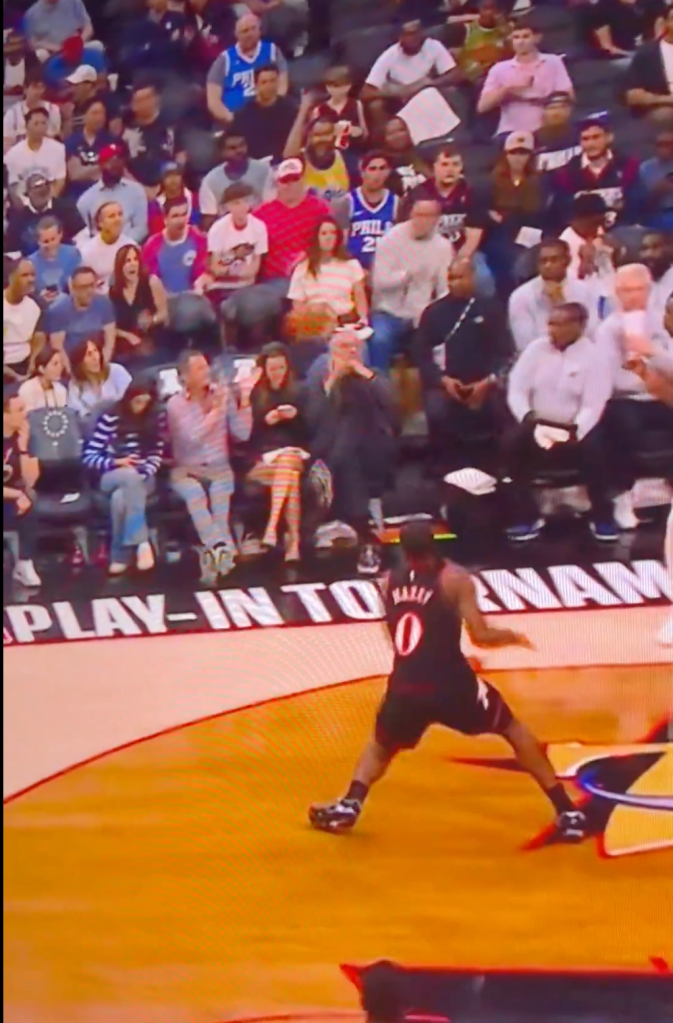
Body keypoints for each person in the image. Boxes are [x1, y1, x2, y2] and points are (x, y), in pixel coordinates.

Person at [309, 519, 588, 842]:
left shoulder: (387, 582)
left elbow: (397, 637)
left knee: (380, 745)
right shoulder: (454, 579)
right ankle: (566, 810)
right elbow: (481, 636)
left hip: (406, 683)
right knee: (512, 729)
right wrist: (512, 637)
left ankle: (350, 804)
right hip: (452, 685)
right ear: (436, 543)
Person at [504, 302, 617, 542]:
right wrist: (527, 417)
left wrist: (575, 431)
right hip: (536, 423)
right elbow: (516, 390)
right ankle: (526, 516)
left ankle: (602, 516)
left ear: (578, 326)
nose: (551, 329)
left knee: (598, 449)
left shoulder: (595, 356)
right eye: (550, 323)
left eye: (558, 324)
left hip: (575, 428)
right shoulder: (535, 350)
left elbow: (594, 403)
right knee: (510, 445)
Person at [304, 328, 398, 575]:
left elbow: (393, 405)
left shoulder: (372, 376)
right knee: (346, 446)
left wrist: (364, 374)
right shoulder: (320, 379)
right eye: (345, 347)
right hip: (330, 447)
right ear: (332, 353)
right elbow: (311, 419)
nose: (352, 352)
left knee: (351, 447)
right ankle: (367, 539)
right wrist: (333, 380)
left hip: (368, 449)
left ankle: (358, 530)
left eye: (355, 347)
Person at [413, 257, 512, 472]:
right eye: (451, 278)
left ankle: (498, 468)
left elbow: (504, 352)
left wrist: (487, 383)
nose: (454, 283)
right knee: (437, 410)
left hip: (485, 383)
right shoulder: (433, 313)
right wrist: (442, 380)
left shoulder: (491, 309)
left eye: (460, 277)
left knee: (501, 409)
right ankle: (443, 468)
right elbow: (422, 355)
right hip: (445, 384)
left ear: (473, 277)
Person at [167, 350, 257, 579]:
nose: (206, 371)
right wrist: (217, 409)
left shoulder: (222, 395)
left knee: (220, 502)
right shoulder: (175, 404)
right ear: (185, 376)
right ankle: (220, 548)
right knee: (195, 493)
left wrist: (244, 399)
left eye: (206, 366)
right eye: (199, 368)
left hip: (219, 468)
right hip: (187, 470)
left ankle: (218, 551)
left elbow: (242, 433)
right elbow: (192, 436)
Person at [597, 264, 673, 529]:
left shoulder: (663, 324)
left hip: (662, 394)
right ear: (617, 293)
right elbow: (610, 378)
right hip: (625, 399)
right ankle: (622, 496)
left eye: (638, 289)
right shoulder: (608, 330)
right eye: (626, 291)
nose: (632, 296)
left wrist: (651, 351)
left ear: (649, 290)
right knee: (622, 423)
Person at [221, 162, 329, 336]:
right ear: (277, 183)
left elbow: (332, 243)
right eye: (285, 180)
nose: (290, 184)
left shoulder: (320, 209)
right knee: (252, 302)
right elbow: (242, 249)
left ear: (303, 179)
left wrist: (308, 257)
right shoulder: (262, 214)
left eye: (295, 179)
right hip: (273, 281)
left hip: (313, 276)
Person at [82, 379, 165, 576]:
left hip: (143, 477)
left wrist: (142, 473)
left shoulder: (154, 419)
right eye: (137, 402)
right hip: (110, 475)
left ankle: (119, 556)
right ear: (128, 400)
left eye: (145, 402)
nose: (141, 407)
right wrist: (117, 463)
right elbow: (89, 457)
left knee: (121, 498)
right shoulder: (110, 418)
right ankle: (142, 542)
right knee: (127, 476)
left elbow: (156, 455)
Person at [370, 197, 454, 371]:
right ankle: (379, 391)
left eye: (427, 216)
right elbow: (379, 282)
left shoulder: (443, 247)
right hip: (389, 312)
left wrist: (433, 313)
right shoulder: (390, 240)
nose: (421, 221)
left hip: (423, 314)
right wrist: (406, 276)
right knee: (380, 340)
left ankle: (433, 391)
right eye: (417, 215)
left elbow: (444, 289)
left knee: (441, 342)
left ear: (437, 220)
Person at [402, 145, 493, 295]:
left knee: (483, 278)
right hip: (427, 252)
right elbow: (412, 235)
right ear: (434, 167)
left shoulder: (472, 193)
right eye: (444, 164)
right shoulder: (418, 195)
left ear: (461, 167)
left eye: (455, 165)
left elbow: (473, 238)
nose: (450, 170)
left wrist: (458, 261)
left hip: (463, 253)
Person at [248, 343, 308, 562]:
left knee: (289, 459)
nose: (277, 374)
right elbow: (248, 437)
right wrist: (265, 421)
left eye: (281, 368)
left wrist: (296, 417)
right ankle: (294, 542)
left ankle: (271, 528)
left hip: (295, 452)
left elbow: (307, 432)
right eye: (272, 369)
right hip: (266, 457)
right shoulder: (256, 394)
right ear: (264, 370)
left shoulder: (299, 391)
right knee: (289, 477)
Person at [477, 15, 574, 136]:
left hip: (547, 128)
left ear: (537, 38)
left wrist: (538, 99)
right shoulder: (499, 69)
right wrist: (507, 89)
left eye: (525, 37)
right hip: (511, 132)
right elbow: (482, 107)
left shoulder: (553, 61)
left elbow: (569, 96)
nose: (520, 42)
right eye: (516, 37)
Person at [362, 19, 459, 135]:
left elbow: (455, 74)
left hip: (428, 94)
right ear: (400, 37)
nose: (414, 38)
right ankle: (388, 142)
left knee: (452, 92)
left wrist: (431, 83)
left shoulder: (433, 46)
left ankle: (450, 135)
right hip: (400, 100)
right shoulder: (390, 55)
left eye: (417, 32)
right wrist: (399, 91)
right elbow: (365, 92)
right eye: (409, 34)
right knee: (376, 105)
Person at [551, 114, 642, 229]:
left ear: (609, 137)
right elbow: (563, 211)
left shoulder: (628, 166)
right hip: (582, 232)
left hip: (621, 230)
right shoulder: (567, 173)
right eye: (585, 139)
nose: (590, 144)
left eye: (596, 137)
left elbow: (636, 204)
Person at [508, 239, 599, 352]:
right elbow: (525, 343)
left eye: (554, 260)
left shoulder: (584, 289)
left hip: (582, 355)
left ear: (567, 261)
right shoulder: (521, 296)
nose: (548, 265)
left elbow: (593, 330)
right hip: (540, 359)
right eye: (543, 261)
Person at [206, 12, 288, 127]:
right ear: (236, 35)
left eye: (253, 29)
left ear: (260, 29)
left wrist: (274, 110)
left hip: (270, 115)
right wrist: (232, 120)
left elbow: (283, 85)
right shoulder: (225, 59)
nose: (250, 34)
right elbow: (213, 101)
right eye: (245, 31)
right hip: (235, 121)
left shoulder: (272, 51)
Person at [288, 217, 368, 324]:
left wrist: (363, 320)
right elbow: (297, 305)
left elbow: (359, 296)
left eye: (333, 233)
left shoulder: (351, 264)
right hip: (314, 322)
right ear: (316, 238)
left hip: (344, 320)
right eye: (324, 233)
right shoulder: (303, 268)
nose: (329, 237)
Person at [202, 182, 268, 312]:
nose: (242, 207)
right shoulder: (217, 229)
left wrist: (228, 271)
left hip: (246, 287)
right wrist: (234, 272)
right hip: (220, 287)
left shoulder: (259, 227)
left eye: (245, 202)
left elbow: (253, 269)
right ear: (228, 207)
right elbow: (215, 267)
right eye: (236, 203)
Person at [3, 384, 42, 587]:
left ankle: (24, 564)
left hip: (11, 500)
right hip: (10, 495)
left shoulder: (25, 436)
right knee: (25, 497)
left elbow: (31, 480)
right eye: (19, 410)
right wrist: (16, 494)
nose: (25, 414)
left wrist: (23, 448)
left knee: (31, 499)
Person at [121, 79, 187, 194]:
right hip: (136, 191)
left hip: (170, 188)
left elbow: (181, 155)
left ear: (157, 98)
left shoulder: (171, 124)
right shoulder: (126, 132)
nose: (146, 102)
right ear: (133, 105)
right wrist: (142, 190)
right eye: (141, 100)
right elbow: (122, 168)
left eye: (149, 97)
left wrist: (171, 182)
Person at [76, 143, 149, 244]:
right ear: (101, 165)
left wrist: (121, 244)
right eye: (111, 161)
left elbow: (141, 228)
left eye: (119, 160)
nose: (116, 165)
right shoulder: (86, 199)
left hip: (129, 249)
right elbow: (82, 235)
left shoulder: (136, 191)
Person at [109, 244, 168, 364]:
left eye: (135, 259)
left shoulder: (151, 282)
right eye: (128, 261)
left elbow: (164, 313)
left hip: (154, 342)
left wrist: (152, 320)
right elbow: (109, 327)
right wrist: (127, 336)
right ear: (120, 266)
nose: (133, 264)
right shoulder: (112, 293)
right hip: (127, 349)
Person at [198, 131, 271, 230]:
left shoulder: (264, 171)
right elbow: (209, 221)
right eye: (232, 148)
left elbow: (272, 209)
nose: (239, 150)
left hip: (261, 229)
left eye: (242, 145)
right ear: (222, 152)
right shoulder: (210, 181)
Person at [283, 98, 351, 204]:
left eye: (326, 134)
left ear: (334, 135)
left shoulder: (346, 159)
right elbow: (288, 156)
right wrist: (303, 112)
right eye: (317, 135)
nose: (322, 139)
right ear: (309, 137)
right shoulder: (301, 159)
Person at [46, 264, 116, 366]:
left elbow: (110, 341)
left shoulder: (104, 303)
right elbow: (58, 348)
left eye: (92, 285)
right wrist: (73, 374)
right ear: (73, 289)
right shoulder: (58, 311)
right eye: (84, 287)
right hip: (72, 365)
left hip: (98, 361)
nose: (89, 291)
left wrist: (102, 365)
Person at [23, 0, 105, 85]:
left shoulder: (74, 2)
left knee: (97, 45)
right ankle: (49, 86)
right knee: (40, 54)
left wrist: (79, 41)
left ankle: (96, 84)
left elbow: (88, 27)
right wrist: (57, 48)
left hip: (77, 45)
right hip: (53, 51)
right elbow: (32, 43)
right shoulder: (31, 14)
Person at [4, 170, 85, 257]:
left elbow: (81, 237)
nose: (41, 191)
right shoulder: (18, 219)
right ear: (27, 193)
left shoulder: (66, 208)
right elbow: (12, 252)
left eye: (44, 187)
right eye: (36, 189)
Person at [343, 152, 398, 273]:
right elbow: (341, 245)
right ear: (362, 172)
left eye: (382, 168)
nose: (377, 174)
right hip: (354, 271)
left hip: (388, 270)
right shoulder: (347, 202)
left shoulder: (396, 202)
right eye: (372, 169)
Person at [231, 63, 297, 163]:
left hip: (286, 162)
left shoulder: (291, 108)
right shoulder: (244, 114)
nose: (269, 86)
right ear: (256, 85)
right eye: (264, 82)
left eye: (272, 81)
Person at [142, 197, 208, 296]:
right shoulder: (152, 245)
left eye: (184, 214)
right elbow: (150, 279)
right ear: (165, 219)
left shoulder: (199, 240)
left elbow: (202, 273)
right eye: (175, 216)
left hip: (192, 300)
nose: (181, 220)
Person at [5, 107, 67, 204]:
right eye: (36, 123)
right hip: (24, 203)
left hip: (51, 200)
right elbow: (13, 186)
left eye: (43, 123)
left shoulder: (58, 149)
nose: (40, 127)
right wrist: (27, 204)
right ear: (26, 126)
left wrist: (48, 201)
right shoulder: (13, 154)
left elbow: (60, 180)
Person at [624, 8, 673, 122]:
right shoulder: (647, 54)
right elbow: (632, 95)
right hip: (666, 106)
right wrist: (667, 99)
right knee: (664, 116)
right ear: (665, 23)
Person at [77, 201, 137, 294]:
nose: (117, 219)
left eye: (120, 214)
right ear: (100, 223)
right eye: (111, 216)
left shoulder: (131, 246)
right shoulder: (87, 252)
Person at [67, 336, 131, 419]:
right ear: (79, 361)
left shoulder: (116, 371)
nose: (95, 358)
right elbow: (76, 413)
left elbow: (130, 398)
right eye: (89, 354)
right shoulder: (75, 384)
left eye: (96, 351)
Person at [64, 97, 115, 200]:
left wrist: (86, 170)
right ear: (84, 116)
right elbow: (75, 174)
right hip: (77, 196)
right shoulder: (72, 141)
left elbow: (111, 171)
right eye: (95, 113)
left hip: (105, 195)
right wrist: (100, 166)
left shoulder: (111, 141)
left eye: (102, 114)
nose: (99, 118)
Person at [3, 257, 43, 383]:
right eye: (25, 275)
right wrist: (14, 376)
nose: (31, 279)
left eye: (33, 275)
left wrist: (33, 361)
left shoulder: (36, 305)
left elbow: (39, 337)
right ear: (11, 278)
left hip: (25, 363)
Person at [3, 66, 61, 150]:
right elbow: (5, 144)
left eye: (41, 87)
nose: (39, 91)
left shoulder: (53, 110)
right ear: (25, 89)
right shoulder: (12, 113)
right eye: (35, 87)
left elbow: (56, 139)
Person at [29, 214, 82, 304]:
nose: (50, 244)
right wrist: (39, 298)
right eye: (45, 241)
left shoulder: (73, 254)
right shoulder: (30, 263)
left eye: (53, 239)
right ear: (38, 241)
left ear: (60, 235)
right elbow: (30, 293)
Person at [61, 64, 122, 139]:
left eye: (76, 85)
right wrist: (67, 118)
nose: (71, 89)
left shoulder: (106, 102)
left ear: (88, 85)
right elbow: (67, 138)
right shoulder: (74, 107)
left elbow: (116, 130)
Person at [534, 92, 581, 177]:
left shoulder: (582, 135)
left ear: (569, 110)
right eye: (552, 108)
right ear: (544, 111)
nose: (556, 112)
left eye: (562, 107)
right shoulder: (534, 139)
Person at [382, 116, 430, 197]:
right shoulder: (381, 163)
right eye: (391, 133)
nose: (397, 136)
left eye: (400, 130)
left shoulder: (425, 155)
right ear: (384, 138)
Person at [147, 162, 200, 236]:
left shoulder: (195, 199)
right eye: (168, 176)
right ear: (161, 179)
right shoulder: (155, 206)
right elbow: (157, 233)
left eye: (176, 175)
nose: (173, 180)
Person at [640, 128, 673, 231]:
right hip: (658, 214)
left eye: (667, 144)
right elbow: (643, 204)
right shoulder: (646, 168)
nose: (663, 148)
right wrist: (658, 191)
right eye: (660, 144)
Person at [18, 344, 67, 411]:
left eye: (61, 363)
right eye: (55, 364)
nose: (60, 367)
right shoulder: (27, 389)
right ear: (42, 369)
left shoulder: (61, 389)